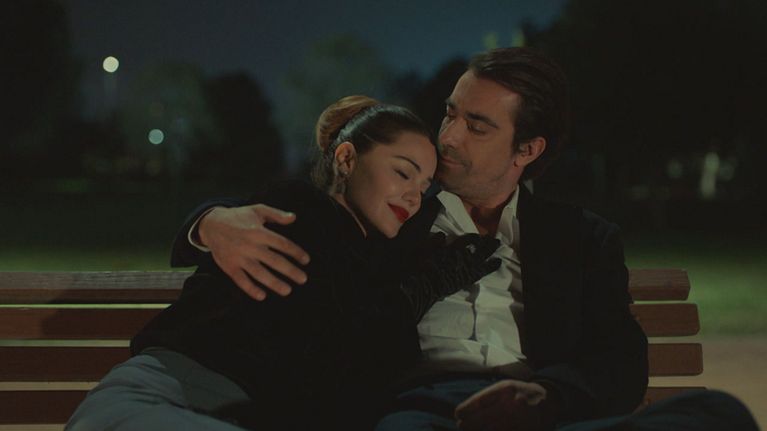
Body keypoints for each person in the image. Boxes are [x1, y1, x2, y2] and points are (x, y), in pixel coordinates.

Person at [168, 48, 759, 430]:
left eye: (476, 126)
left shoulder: (581, 238)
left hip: (543, 416)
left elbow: (620, 359)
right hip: (419, 412)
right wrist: (209, 221)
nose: (447, 136)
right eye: (450, 113)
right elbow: (303, 210)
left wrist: (547, 397)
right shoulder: (393, 212)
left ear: (527, 150)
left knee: (717, 413)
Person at [65, 96, 504, 431]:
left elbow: (361, 367)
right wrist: (207, 221)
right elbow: (339, 336)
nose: (413, 195)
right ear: (346, 159)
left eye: (424, 187)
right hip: (168, 396)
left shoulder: (373, 263)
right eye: (403, 172)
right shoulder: (295, 212)